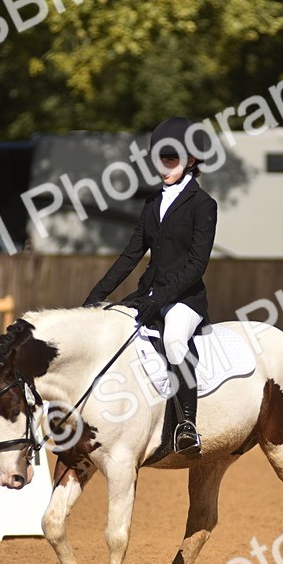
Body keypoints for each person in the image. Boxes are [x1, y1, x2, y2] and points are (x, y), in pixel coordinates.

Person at [83, 117, 218, 456]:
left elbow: (195, 266)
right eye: (160, 158)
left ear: (190, 160)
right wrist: (98, 294)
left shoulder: (203, 206)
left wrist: (160, 298)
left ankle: (187, 424)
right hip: (149, 295)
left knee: (173, 340)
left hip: (184, 299)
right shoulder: (151, 203)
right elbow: (130, 255)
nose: (164, 166)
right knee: (114, 332)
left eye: (171, 158)